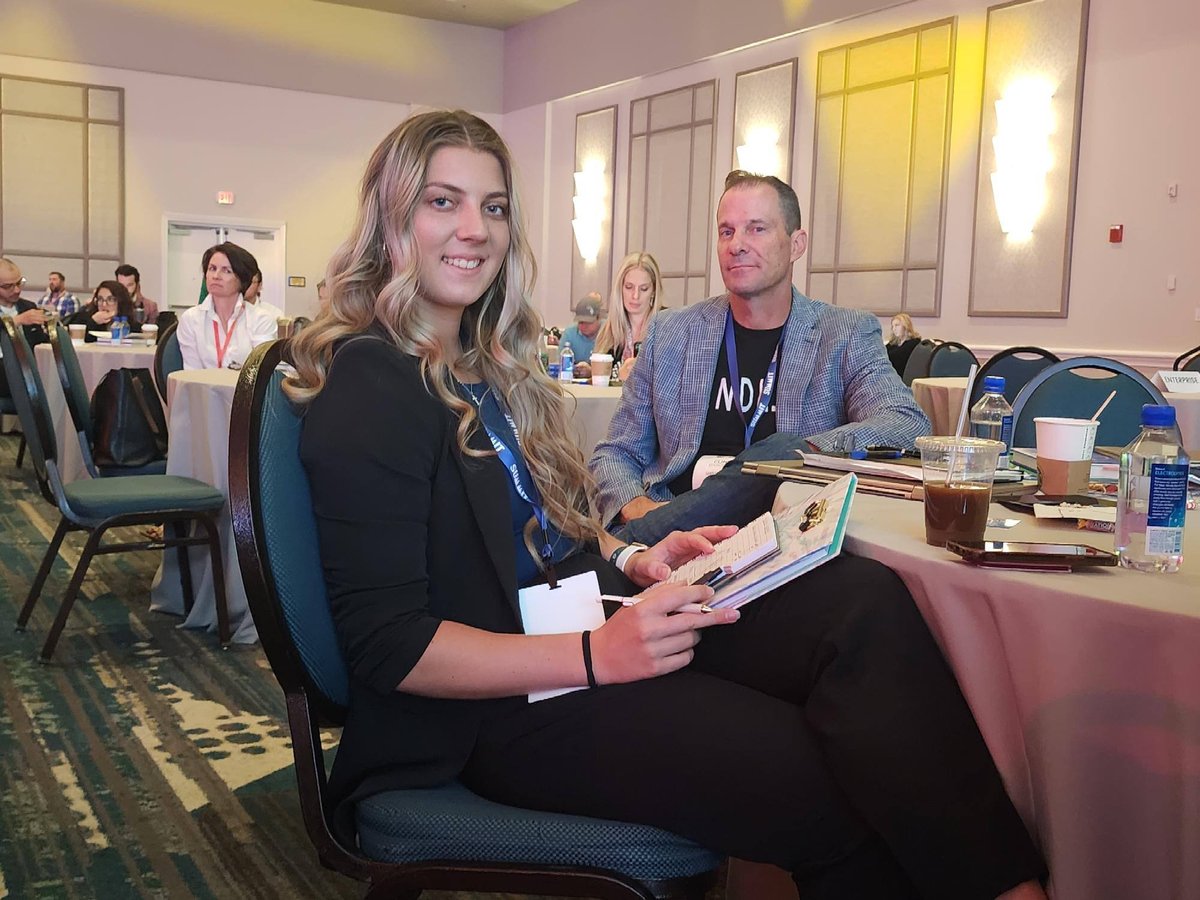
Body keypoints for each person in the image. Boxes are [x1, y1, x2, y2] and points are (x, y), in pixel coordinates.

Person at [287, 109, 1046, 900]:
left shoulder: (479, 365)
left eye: (495, 205)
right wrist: (597, 656)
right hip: (494, 710)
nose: (475, 228)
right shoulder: (372, 380)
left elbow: (530, 536)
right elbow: (387, 645)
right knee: (825, 767)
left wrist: (632, 557)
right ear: (391, 215)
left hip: (577, 615)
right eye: (443, 201)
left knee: (860, 602)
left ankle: (1010, 888)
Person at [590, 171, 930, 545]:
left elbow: (907, 423)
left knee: (779, 459)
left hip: (783, 538)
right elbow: (616, 453)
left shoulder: (843, 334)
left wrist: (803, 454)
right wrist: (638, 507)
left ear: (796, 244)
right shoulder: (672, 333)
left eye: (757, 229)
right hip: (674, 540)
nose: (737, 244)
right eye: (726, 232)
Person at [176, 243, 276, 370]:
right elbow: (191, 373)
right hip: (203, 388)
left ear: (242, 279)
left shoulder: (261, 319)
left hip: (245, 389)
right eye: (212, 268)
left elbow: (262, 371)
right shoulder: (190, 319)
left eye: (226, 271)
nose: (216, 276)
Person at [594, 252, 663, 382]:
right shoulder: (608, 332)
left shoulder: (667, 327)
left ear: (654, 290)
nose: (635, 296)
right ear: (620, 288)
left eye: (643, 289)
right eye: (629, 287)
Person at [0, 258, 48, 399]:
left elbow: (40, 343)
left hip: (28, 368)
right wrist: (17, 321)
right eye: (8, 286)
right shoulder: (25, 315)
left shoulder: (28, 307)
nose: (17, 290)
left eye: (19, 283)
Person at [71, 281, 143, 342]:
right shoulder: (83, 319)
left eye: (110, 299)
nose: (104, 304)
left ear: (121, 302)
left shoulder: (132, 326)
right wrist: (93, 322)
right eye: (100, 299)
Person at [558, 293, 602, 361]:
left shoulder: (609, 333)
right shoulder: (569, 334)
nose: (584, 326)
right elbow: (561, 363)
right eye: (581, 322)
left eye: (588, 322)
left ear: (599, 318)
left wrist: (591, 370)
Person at [887, 312, 922, 377]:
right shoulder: (894, 343)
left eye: (897, 325)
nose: (894, 329)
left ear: (906, 326)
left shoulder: (913, 343)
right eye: (892, 326)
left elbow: (895, 357)